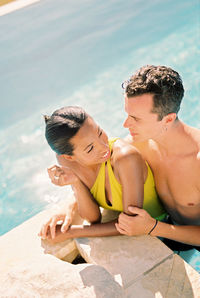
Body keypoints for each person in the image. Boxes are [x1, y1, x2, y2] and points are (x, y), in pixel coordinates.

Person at [39, 106, 166, 242]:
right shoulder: (66, 161)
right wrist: (75, 182)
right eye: (90, 148)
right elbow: (93, 218)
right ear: (69, 157)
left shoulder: (125, 158)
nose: (103, 147)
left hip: (164, 232)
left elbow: (131, 223)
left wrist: (72, 232)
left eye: (99, 132)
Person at [116, 65, 200, 249]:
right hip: (171, 230)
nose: (125, 124)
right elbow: (97, 158)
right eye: (127, 114)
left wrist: (153, 227)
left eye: (136, 119)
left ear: (168, 119)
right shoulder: (141, 143)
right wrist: (71, 208)